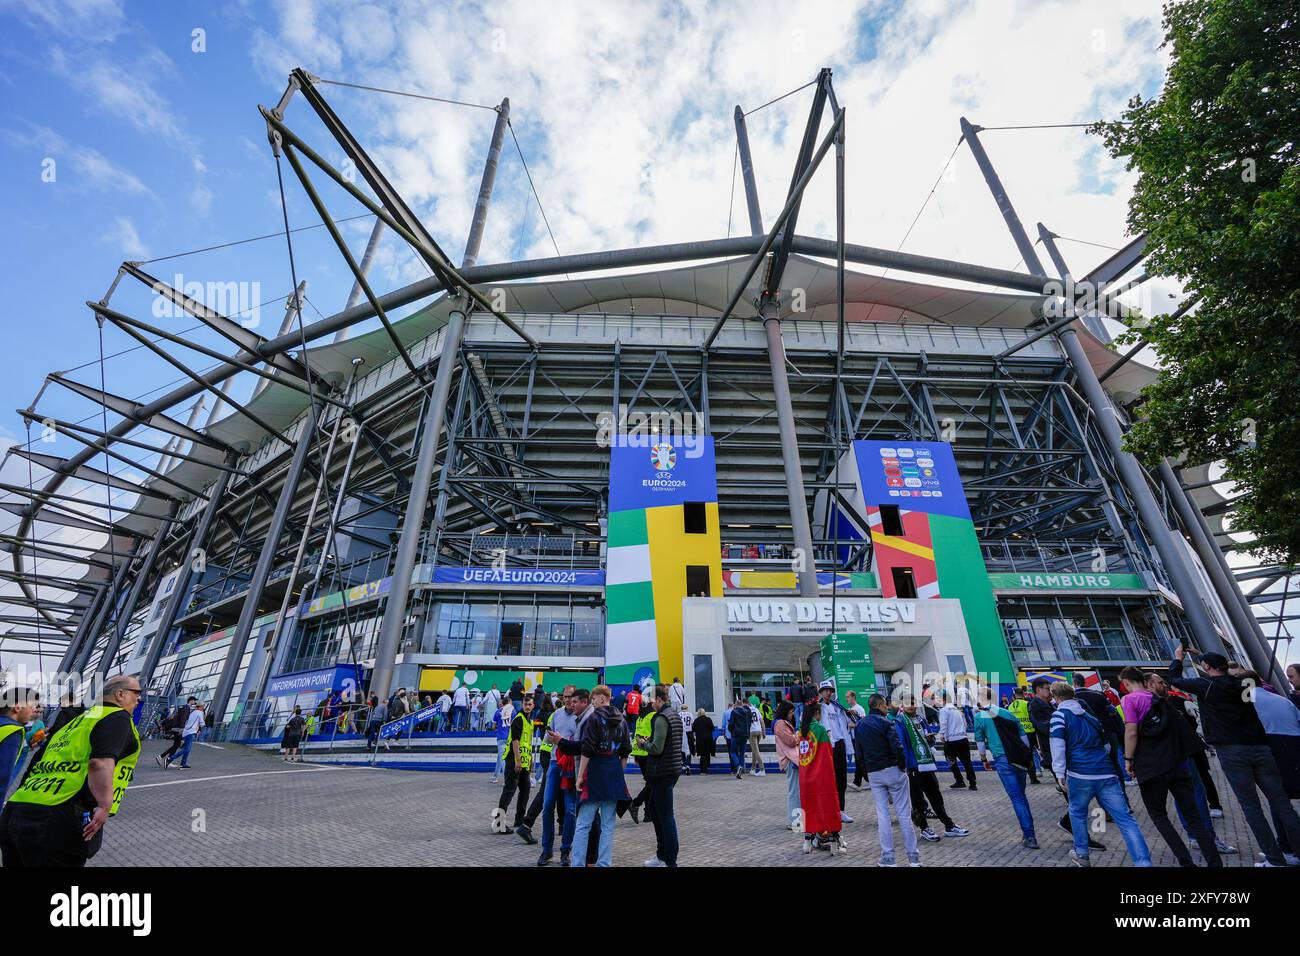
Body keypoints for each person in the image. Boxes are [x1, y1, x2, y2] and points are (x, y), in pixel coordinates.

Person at [1167, 645, 1300, 867]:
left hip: (1232, 749)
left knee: (1251, 806)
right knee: (1281, 803)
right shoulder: (1245, 685)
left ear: (1207, 667)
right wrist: (1201, 655)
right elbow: (1230, 673)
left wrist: (1179, 658)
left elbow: (1174, 678)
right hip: (1260, 746)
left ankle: (1275, 859)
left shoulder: (1205, 686)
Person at [1, 675, 143, 867]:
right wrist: (104, 805)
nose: (139, 699)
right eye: (137, 693)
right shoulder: (117, 717)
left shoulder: (76, 722)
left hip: (17, 809)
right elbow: (99, 763)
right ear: (120, 694)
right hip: (59, 815)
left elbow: (36, 761)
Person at [1118, 667, 1222, 867]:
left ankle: (1186, 861)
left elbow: (1131, 732)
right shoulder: (1162, 700)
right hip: (1176, 764)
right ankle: (1214, 862)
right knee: (1194, 817)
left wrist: (1128, 760)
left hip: (1151, 767)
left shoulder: (1130, 700)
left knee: (1158, 815)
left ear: (1126, 682)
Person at [1049, 681, 1151, 867]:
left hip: (1080, 773)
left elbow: (1057, 745)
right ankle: (1143, 862)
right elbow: (1106, 746)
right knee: (1126, 820)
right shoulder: (1091, 718)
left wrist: (1059, 773)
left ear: (1055, 697)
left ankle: (1082, 854)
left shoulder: (1059, 716)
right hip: (1105, 772)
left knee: (1077, 813)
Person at [1239, 669, 1300, 865]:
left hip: (1271, 747)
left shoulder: (1246, 699)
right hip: (1294, 746)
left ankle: (1287, 849)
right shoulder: (1282, 700)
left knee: (1278, 800)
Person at [569, 685, 632, 867]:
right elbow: (626, 751)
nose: (592, 702)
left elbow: (587, 750)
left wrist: (580, 776)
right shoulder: (622, 720)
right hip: (613, 772)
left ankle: (578, 863)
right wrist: (618, 773)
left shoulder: (594, 718)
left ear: (603, 698)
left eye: (594, 699)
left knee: (583, 824)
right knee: (608, 825)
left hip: (595, 771)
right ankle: (604, 863)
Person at [855, 694, 916, 865]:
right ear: (880, 705)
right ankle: (913, 858)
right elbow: (897, 747)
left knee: (883, 816)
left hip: (874, 773)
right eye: (885, 705)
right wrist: (902, 766)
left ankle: (888, 858)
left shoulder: (860, 724)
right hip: (892, 769)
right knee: (904, 815)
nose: (888, 707)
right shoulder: (886, 723)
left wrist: (866, 772)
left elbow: (858, 752)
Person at [897, 698, 968, 843]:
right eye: (908, 703)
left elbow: (929, 738)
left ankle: (949, 825)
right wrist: (904, 765)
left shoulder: (921, 720)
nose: (911, 706)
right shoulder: (900, 722)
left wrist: (930, 740)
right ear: (902, 706)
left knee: (936, 795)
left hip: (927, 763)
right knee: (917, 800)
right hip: (913, 765)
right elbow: (901, 744)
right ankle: (924, 828)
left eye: (913, 703)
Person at [975, 700, 1039, 849]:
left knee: (1017, 798)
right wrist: (1027, 757)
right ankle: (1029, 834)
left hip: (1002, 759)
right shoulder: (1007, 713)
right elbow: (1023, 738)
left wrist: (984, 759)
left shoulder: (980, 717)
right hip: (1018, 758)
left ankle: (1029, 835)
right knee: (1021, 796)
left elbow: (980, 741)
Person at [638, 685, 683, 866]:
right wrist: (653, 741)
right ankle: (662, 855)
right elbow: (669, 740)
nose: (650, 702)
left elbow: (657, 748)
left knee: (665, 817)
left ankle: (669, 860)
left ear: (658, 699)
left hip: (662, 772)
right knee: (656, 813)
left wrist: (643, 744)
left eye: (651, 699)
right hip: (671, 768)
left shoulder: (661, 717)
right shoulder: (673, 714)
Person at [796, 700, 846, 855]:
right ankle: (833, 839)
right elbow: (827, 755)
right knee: (827, 808)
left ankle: (807, 843)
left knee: (810, 809)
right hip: (821, 777)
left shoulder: (801, 731)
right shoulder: (820, 730)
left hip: (806, 778)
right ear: (817, 714)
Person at [493, 691, 533, 835]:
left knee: (525, 790)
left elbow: (527, 743)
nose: (527, 706)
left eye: (530, 704)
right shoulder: (519, 719)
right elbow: (515, 741)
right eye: (525, 704)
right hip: (514, 761)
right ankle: (498, 824)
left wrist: (530, 760)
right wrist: (517, 760)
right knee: (509, 791)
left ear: (533, 705)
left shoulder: (530, 721)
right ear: (522, 705)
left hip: (524, 762)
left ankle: (519, 819)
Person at [817, 680, 853, 822]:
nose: (828, 693)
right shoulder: (817, 707)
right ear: (820, 692)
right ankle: (828, 809)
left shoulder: (837, 706)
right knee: (827, 779)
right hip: (826, 745)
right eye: (825, 690)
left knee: (841, 779)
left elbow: (844, 725)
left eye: (830, 690)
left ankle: (840, 810)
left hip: (840, 743)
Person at [0, 686, 40, 803]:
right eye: (32, 706)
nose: (34, 710)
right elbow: (2, 777)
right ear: (18, 707)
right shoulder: (14, 731)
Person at [939, 692, 976, 790]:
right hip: (963, 739)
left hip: (951, 740)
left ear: (943, 700)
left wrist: (942, 735)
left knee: (951, 761)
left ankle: (959, 781)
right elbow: (965, 724)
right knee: (967, 762)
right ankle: (973, 783)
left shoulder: (944, 710)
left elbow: (943, 723)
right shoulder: (958, 710)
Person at [773, 700, 801, 829]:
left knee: (796, 791)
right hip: (790, 759)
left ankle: (797, 820)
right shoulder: (780, 724)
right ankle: (794, 821)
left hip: (792, 759)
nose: (792, 715)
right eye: (790, 712)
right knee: (794, 792)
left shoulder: (783, 723)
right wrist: (799, 735)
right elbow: (791, 741)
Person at [1007, 687, 1042, 784]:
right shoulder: (1027, 704)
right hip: (1030, 731)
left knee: (1025, 756)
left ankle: (1028, 777)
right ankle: (1036, 775)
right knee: (1038, 752)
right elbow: (1033, 717)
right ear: (1023, 694)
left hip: (1018, 734)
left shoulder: (1010, 706)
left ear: (1014, 695)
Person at [1026, 680, 1053, 786]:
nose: (1050, 691)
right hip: (1048, 746)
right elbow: (1043, 727)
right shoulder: (1034, 706)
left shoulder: (1049, 703)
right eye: (1047, 688)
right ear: (1038, 690)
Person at [156, 697, 194, 767]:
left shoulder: (184, 707)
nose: (194, 702)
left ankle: (162, 758)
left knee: (176, 744)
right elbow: (183, 719)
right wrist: (182, 729)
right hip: (178, 728)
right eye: (194, 701)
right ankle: (167, 759)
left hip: (176, 727)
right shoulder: (187, 708)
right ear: (191, 701)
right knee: (178, 745)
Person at [166, 702, 205, 769]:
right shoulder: (200, 713)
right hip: (191, 732)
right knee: (187, 749)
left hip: (186, 732)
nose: (204, 707)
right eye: (203, 706)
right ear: (201, 707)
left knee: (187, 749)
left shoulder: (193, 712)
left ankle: (183, 763)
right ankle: (170, 758)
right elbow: (202, 724)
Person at [726, 696, 751, 778]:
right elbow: (749, 723)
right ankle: (741, 770)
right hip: (744, 734)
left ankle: (737, 766)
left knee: (733, 752)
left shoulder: (734, 711)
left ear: (736, 705)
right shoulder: (746, 711)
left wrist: (730, 730)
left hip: (736, 734)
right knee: (742, 753)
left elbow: (731, 723)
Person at [747, 696, 766, 776]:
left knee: (756, 751)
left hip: (752, 731)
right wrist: (764, 731)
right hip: (759, 731)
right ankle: (753, 768)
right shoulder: (756, 709)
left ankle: (762, 769)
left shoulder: (747, 710)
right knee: (755, 750)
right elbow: (762, 721)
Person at [692, 709, 714, 775]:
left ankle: (702, 770)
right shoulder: (708, 719)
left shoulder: (696, 720)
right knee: (707, 753)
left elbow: (693, 729)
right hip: (708, 738)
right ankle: (707, 767)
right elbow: (712, 728)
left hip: (700, 739)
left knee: (702, 754)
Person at [678, 705, 693, 774]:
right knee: (688, 748)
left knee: (681, 748)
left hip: (681, 732)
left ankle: (684, 764)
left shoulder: (679, 714)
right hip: (689, 732)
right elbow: (692, 724)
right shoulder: (690, 714)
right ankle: (688, 764)